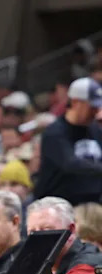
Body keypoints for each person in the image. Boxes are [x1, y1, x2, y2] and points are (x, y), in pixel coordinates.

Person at [34, 77, 102, 205]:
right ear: (76, 102)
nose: (95, 112)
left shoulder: (95, 130)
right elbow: (70, 164)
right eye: (92, 107)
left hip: (92, 203)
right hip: (59, 207)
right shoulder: (55, 133)